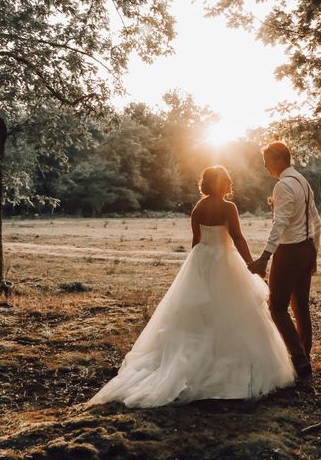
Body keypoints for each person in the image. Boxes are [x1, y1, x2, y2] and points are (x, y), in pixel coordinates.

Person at [88, 166, 295, 408]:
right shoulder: (229, 208)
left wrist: (197, 265)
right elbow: (237, 237)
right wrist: (251, 265)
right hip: (224, 261)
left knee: (199, 314)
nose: (231, 184)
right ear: (218, 183)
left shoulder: (198, 207)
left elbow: (196, 240)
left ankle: (195, 363)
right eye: (227, 180)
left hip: (201, 259)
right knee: (231, 311)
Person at [249, 141, 321, 379]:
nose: (265, 167)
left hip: (289, 251)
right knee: (301, 305)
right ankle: (305, 356)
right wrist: (314, 252)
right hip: (306, 248)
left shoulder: (283, 186)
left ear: (280, 161)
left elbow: (280, 224)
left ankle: (299, 360)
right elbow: (316, 221)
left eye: (267, 161)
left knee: (277, 306)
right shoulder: (303, 181)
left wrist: (264, 258)